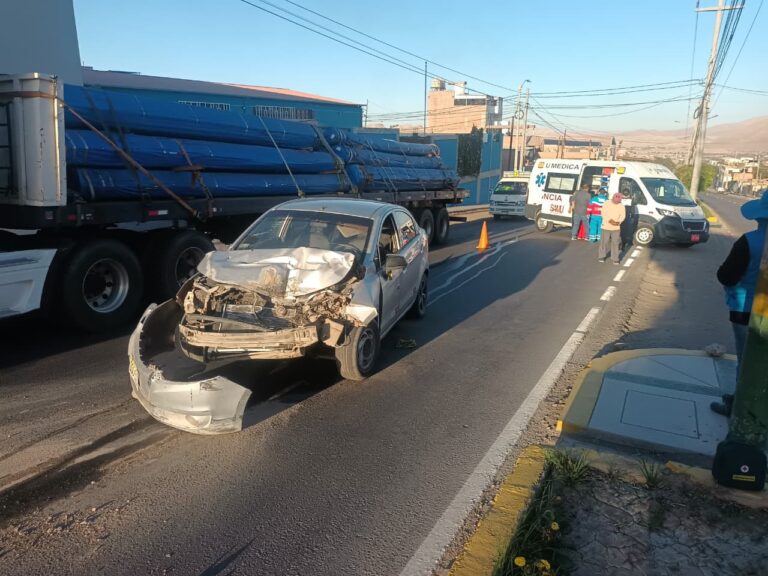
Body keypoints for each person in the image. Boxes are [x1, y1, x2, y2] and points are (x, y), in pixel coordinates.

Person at [710, 189, 768, 417]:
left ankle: (740, 409)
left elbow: (727, 276)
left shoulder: (749, 242)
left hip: (745, 312)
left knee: (746, 364)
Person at [598, 193, 626, 264]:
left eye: (619, 200)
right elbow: (603, 213)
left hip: (616, 227)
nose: (618, 201)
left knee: (615, 243)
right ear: (613, 197)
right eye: (616, 199)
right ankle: (601, 256)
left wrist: (618, 222)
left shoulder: (621, 206)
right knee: (604, 242)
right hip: (606, 226)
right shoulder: (606, 203)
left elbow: (623, 216)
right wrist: (610, 221)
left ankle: (615, 258)